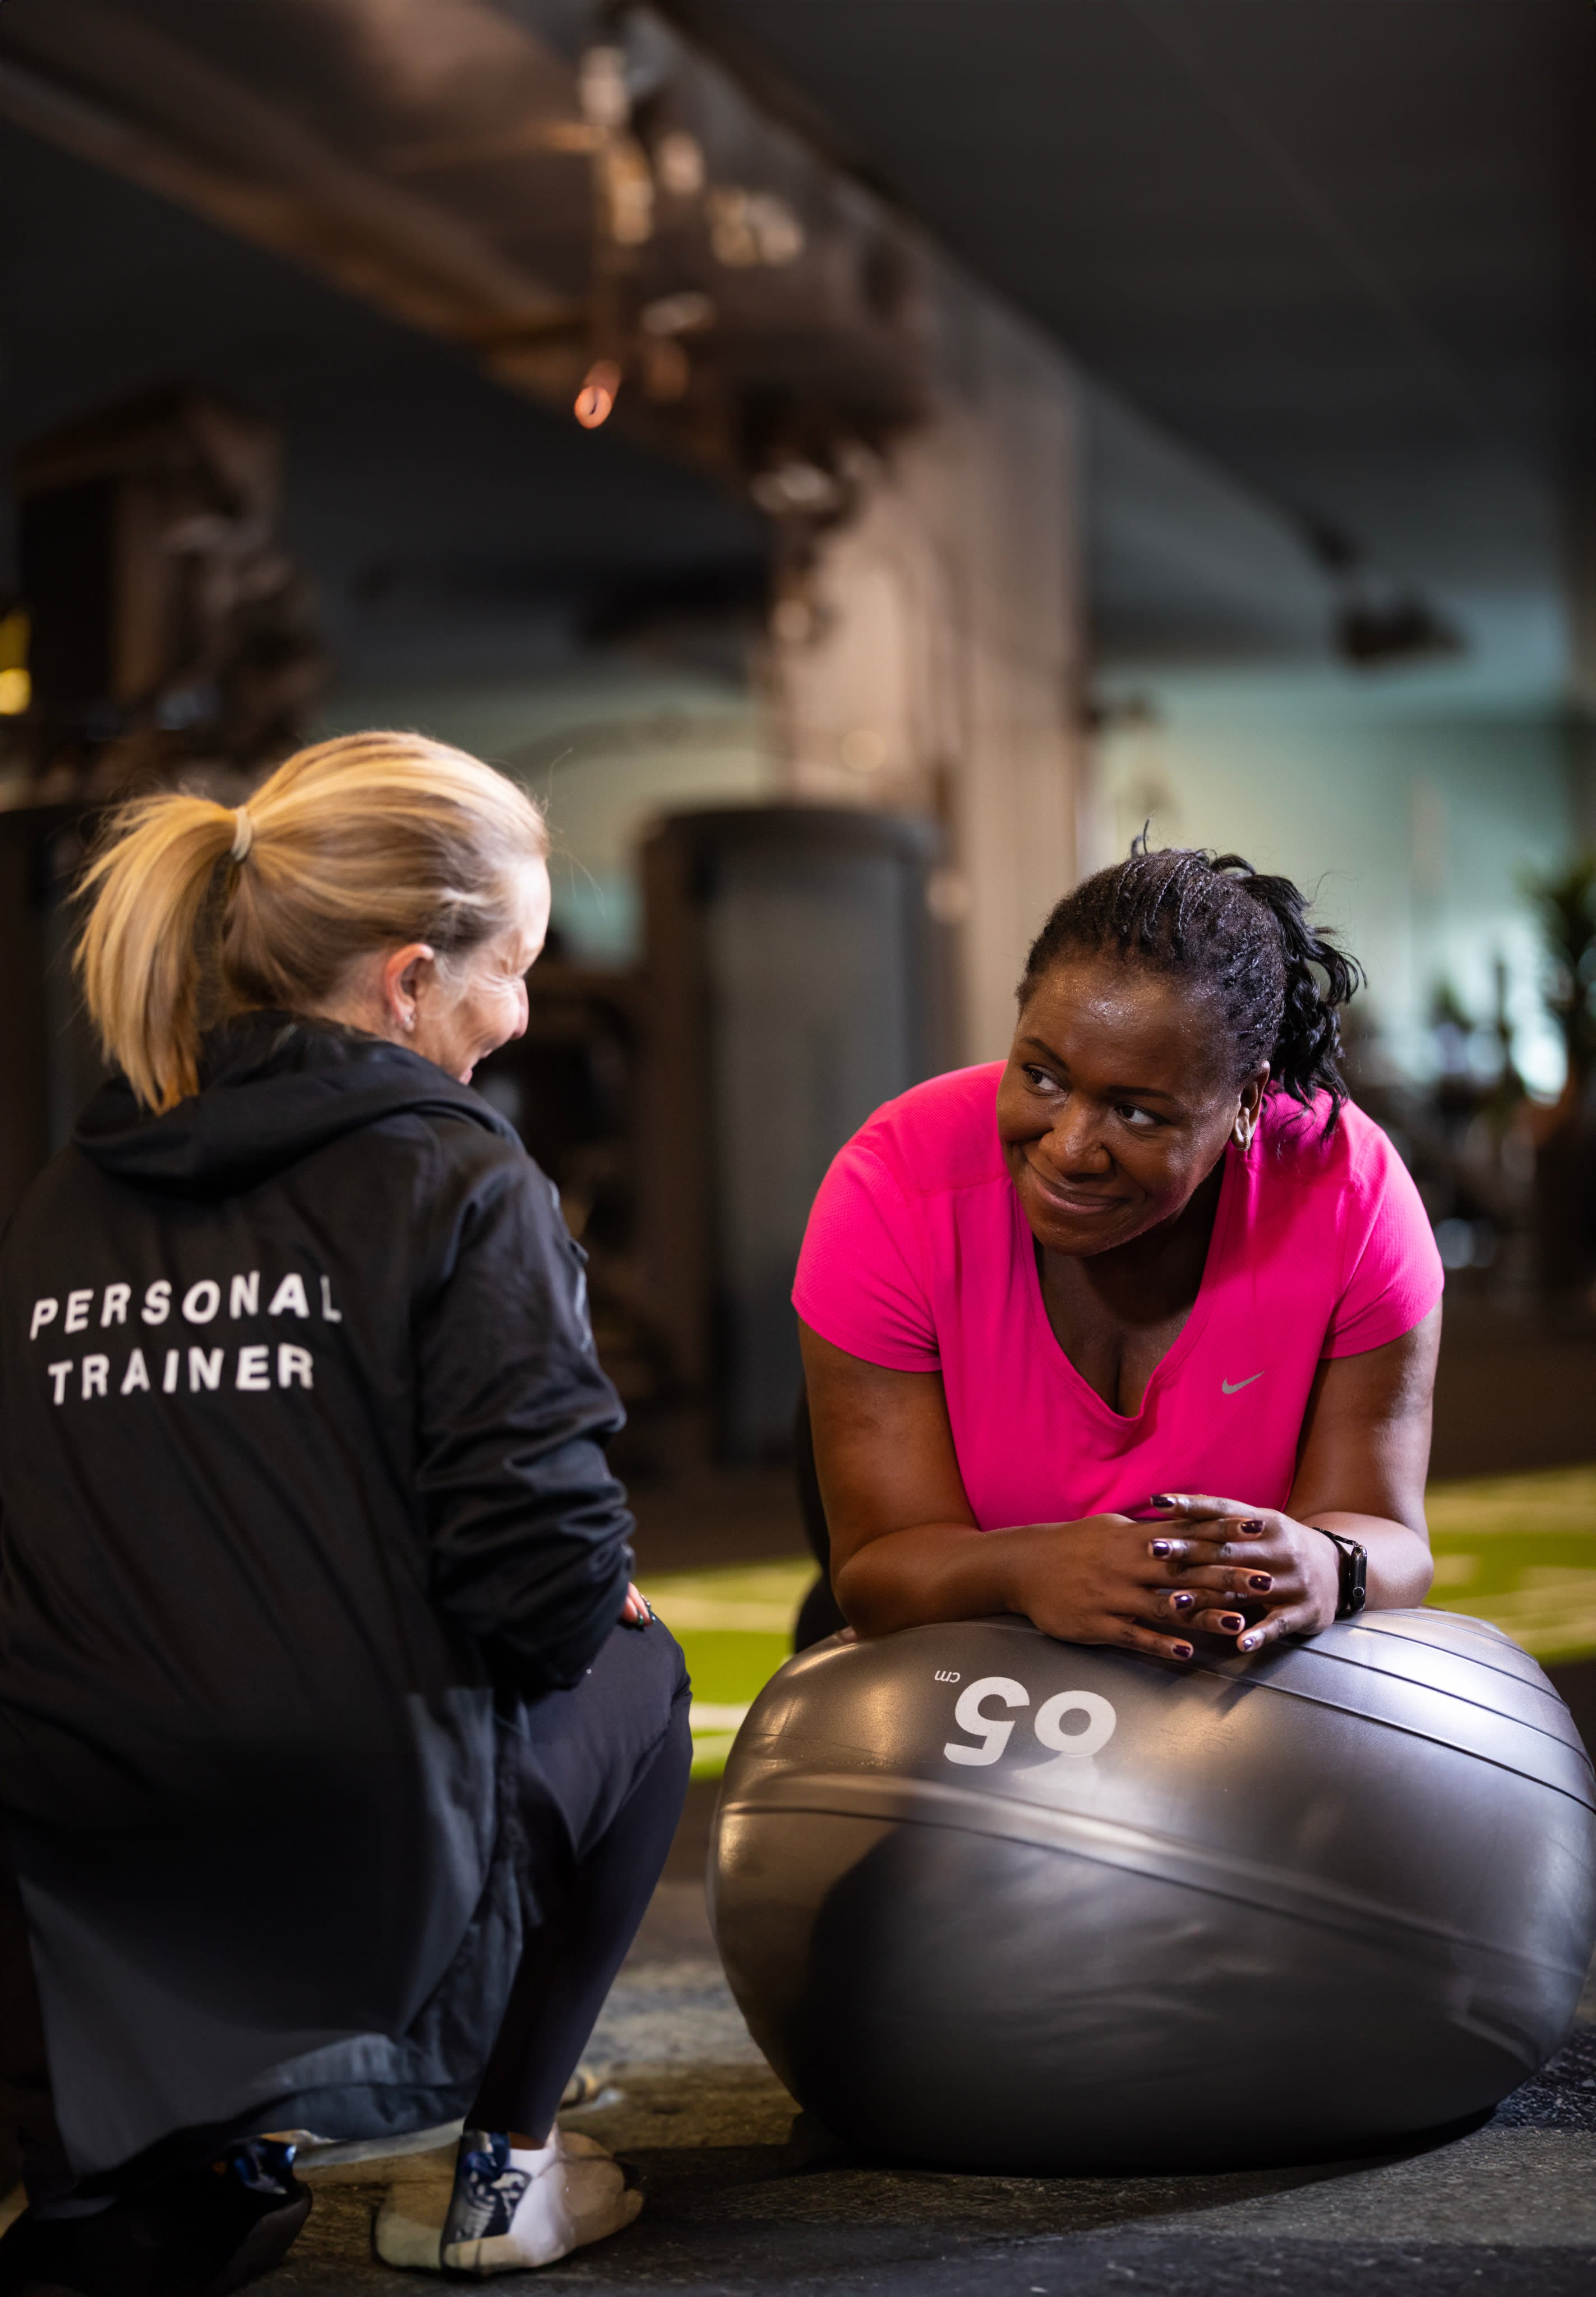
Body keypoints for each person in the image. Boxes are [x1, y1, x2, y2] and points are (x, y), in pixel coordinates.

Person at [0, 732, 690, 2296]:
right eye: (506, 969)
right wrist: (588, 1603)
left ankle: (143, 2158)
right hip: (355, 1833)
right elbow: (542, 1580)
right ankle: (495, 2176)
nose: (516, 1014)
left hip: (70, 1834)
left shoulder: (64, 1193)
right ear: (405, 982)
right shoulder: (458, 1178)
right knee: (637, 1675)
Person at [795, 843, 1443, 1658]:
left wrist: (1326, 1562)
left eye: (1136, 1114)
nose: (1068, 1147)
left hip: (1235, 1678)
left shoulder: (1350, 1196)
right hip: (968, 1660)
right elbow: (875, 1568)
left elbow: (1387, 1536)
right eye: (1041, 1076)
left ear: (1246, 1102)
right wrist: (1026, 1567)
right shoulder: (894, 1184)